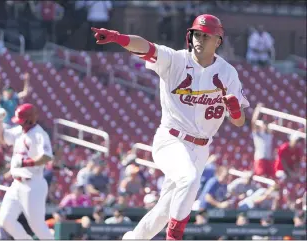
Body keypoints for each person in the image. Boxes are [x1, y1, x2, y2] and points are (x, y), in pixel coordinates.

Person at [91, 13, 249, 240]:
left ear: (218, 41)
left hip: (201, 148)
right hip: (171, 139)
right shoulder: (175, 60)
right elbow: (147, 47)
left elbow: (239, 121)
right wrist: (119, 38)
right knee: (189, 178)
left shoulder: (228, 73)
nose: (199, 39)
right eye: (196, 34)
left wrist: (235, 110)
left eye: (206, 36)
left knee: (165, 209)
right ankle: (174, 237)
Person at [0, 103, 54, 239]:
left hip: (33, 185)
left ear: (31, 119)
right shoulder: (20, 131)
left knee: (37, 226)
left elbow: (47, 156)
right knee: (5, 220)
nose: (20, 124)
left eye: (23, 121)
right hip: (17, 184)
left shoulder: (39, 134)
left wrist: (26, 163)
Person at [251, 103, 274, 177]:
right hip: (260, 159)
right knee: (261, 176)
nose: (265, 125)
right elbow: (253, 122)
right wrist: (258, 109)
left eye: (266, 124)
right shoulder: (258, 134)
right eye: (264, 124)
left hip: (268, 159)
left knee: (270, 177)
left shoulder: (269, 135)